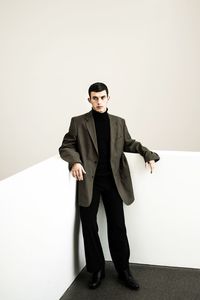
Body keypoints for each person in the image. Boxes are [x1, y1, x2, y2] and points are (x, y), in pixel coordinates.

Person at [59, 82, 160, 290]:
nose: (99, 101)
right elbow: (66, 146)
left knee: (118, 226)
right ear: (89, 99)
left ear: (108, 98)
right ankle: (96, 270)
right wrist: (75, 161)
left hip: (113, 182)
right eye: (94, 98)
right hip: (89, 182)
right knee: (88, 225)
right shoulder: (78, 122)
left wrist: (148, 154)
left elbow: (130, 143)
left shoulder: (118, 122)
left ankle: (123, 270)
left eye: (102, 97)